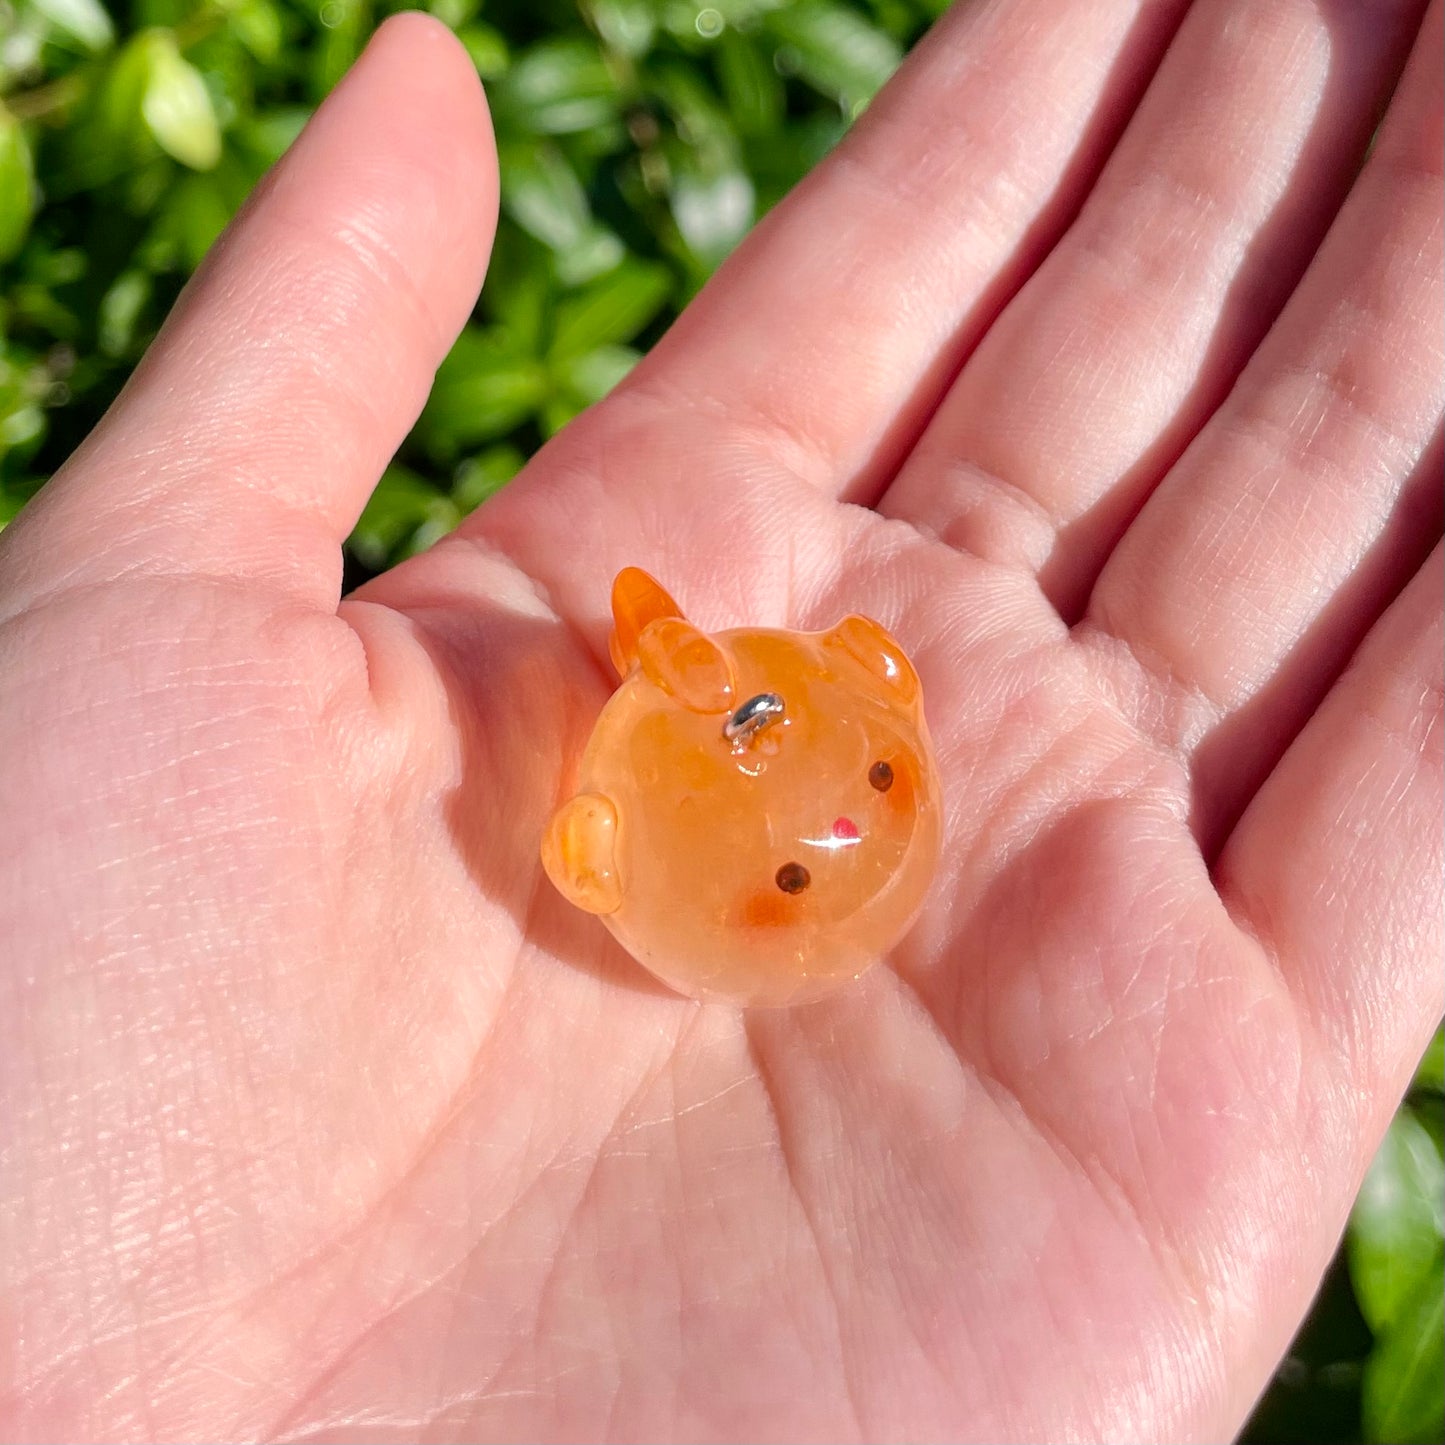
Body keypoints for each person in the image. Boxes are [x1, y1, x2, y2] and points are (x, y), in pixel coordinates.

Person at [1, 2, 1439, 1438]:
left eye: (868, 775)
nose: (840, 834)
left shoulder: (844, 709)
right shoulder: (638, 817)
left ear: (883, 682)